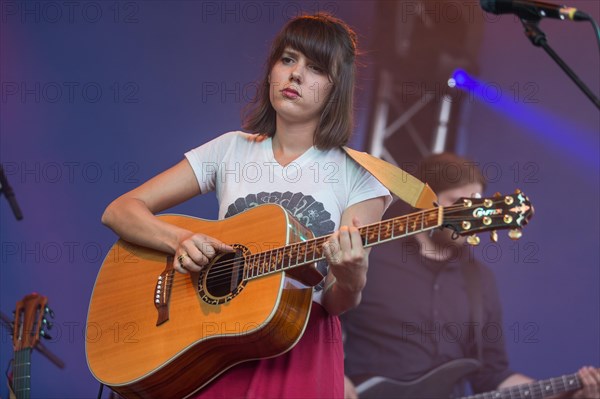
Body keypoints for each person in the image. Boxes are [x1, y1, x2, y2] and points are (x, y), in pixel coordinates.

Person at [101, 13, 391, 399]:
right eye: (288, 59)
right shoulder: (230, 149)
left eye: (316, 68)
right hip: (217, 346)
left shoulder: (361, 174)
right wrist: (180, 240)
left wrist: (352, 276)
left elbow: (338, 301)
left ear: (336, 88)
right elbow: (119, 210)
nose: (296, 75)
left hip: (300, 350)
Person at [341, 153, 599, 399]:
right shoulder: (371, 256)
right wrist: (335, 375)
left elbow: (492, 373)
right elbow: (321, 320)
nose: (469, 215)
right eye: (457, 203)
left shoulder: (480, 281)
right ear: (421, 204)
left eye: (476, 205)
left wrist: (563, 393)